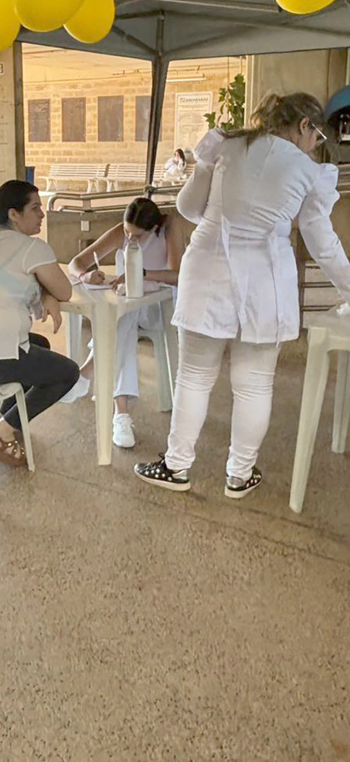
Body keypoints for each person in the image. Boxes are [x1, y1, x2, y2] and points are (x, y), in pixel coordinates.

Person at [134, 92, 350, 497]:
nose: (314, 144)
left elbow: (188, 206)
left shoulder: (227, 146)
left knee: (194, 377)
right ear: (304, 125)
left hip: (207, 270)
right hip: (266, 281)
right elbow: (322, 242)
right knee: (254, 385)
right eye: (316, 135)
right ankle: (239, 475)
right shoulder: (308, 170)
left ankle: (176, 467)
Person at [0, 180, 79, 466]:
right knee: (67, 372)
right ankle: (2, 432)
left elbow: (24, 283)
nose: (42, 214)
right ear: (14, 214)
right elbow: (65, 291)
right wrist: (49, 293)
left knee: (40, 344)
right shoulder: (32, 247)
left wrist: (45, 293)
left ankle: (7, 419)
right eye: (35, 208)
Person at [67, 198, 183, 448]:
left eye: (137, 236)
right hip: (126, 307)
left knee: (123, 317)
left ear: (152, 228)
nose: (130, 239)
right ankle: (121, 414)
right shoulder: (122, 232)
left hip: (158, 307)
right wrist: (85, 275)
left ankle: (87, 372)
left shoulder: (168, 228)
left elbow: (177, 275)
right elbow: (76, 263)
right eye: (127, 232)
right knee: (124, 319)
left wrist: (142, 275)